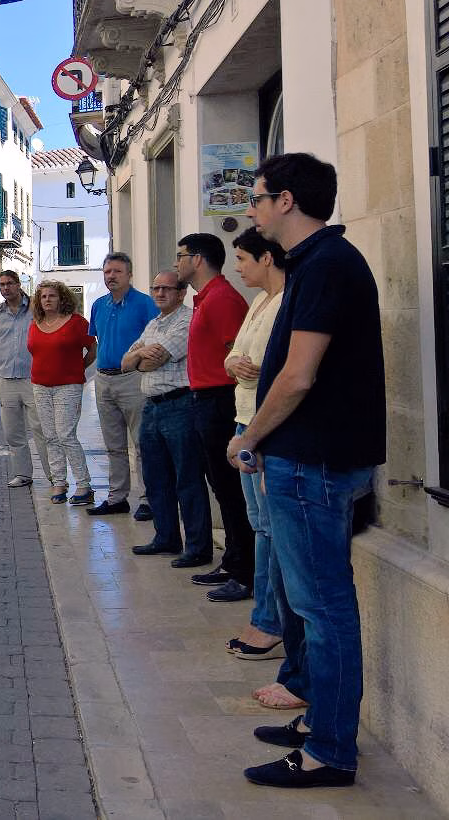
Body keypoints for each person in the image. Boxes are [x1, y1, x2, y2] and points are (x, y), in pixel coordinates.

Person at [230, 153, 383, 788]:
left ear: (287, 201)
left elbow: (297, 375)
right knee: (317, 605)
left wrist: (249, 440)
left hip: (311, 464)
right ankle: (324, 722)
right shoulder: (318, 265)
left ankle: (329, 751)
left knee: (324, 612)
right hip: (311, 462)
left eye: (259, 197)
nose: (252, 208)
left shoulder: (324, 267)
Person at [223, 228, 289, 667]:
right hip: (245, 417)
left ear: (267, 258)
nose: (239, 267)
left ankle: (269, 621)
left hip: (265, 425)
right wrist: (234, 362)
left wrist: (254, 367)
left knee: (269, 528)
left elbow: (288, 366)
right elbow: (234, 353)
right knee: (258, 523)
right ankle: (265, 615)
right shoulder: (257, 304)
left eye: (244, 258)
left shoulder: (287, 302)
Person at [175, 232, 252, 603]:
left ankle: (245, 570)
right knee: (220, 486)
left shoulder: (222, 299)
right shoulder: (204, 299)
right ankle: (234, 558)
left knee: (230, 487)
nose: (177, 263)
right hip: (204, 398)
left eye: (181, 256)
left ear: (198, 259)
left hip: (220, 400)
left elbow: (236, 353)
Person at [123, 273, 211, 566]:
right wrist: (138, 355)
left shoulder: (187, 320)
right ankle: (166, 538)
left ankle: (198, 547)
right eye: (155, 288)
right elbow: (124, 362)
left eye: (166, 288)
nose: (159, 293)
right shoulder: (154, 323)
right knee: (156, 477)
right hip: (152, 406)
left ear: (182, 292)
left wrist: (141, 355)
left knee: (187, 478)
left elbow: (153, 360)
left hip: (179, 405)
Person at [87, 253, 159, 518]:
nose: (111, 276)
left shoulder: (144, 304)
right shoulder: (98, 305)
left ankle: (149, 499)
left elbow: (154, 340)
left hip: (133, 380)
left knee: (142, 443)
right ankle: (117, 497)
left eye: (117, 271)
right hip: (103, 380)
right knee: (113, 445)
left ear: (129, 274)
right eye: (107, 272)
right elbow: (97, 340)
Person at [26, 280, 96, 505]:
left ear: (62, 298)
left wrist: (76, 370)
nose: (47, 299)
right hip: (40, 386)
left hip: (68, 386)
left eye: (52, 296)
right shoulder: (35, 323)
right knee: (50, 436)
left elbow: (92, 350)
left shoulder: (77, 323)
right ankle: (59, 482)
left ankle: (84, 485)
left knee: (66, 435)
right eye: (43, 296)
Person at [0, 271, 48, 488]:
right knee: (13, 432)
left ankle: (54, 476)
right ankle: (23, 474)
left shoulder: (35, 309)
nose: (6, 288)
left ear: (18, 284)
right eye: (2, 284)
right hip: (6, 378)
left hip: (33, 378)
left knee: (41, 429)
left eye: (10, 283)